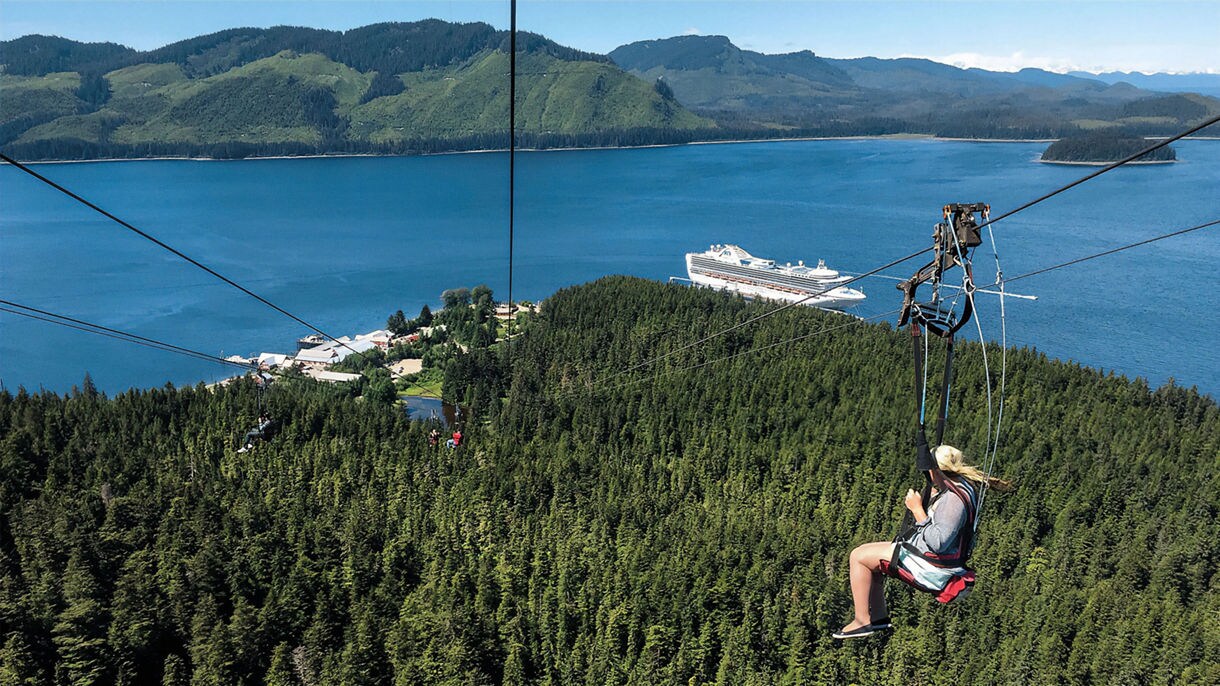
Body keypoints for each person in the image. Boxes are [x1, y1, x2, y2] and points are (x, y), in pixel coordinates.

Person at [833, 444, 1010, 639]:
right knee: (867, 555)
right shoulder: (962, 486)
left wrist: (918, 510)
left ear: (936, 471)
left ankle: (862, 621)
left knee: (858, 557)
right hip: (940, 560)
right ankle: (878, 617)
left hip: (934, 566)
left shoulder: (954, 499)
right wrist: (935, 498)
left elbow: (938, 541)